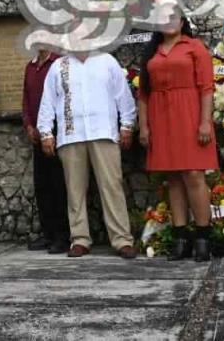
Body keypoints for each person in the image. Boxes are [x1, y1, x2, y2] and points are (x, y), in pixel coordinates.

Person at [37, 50, 138, 259]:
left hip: (103, 132)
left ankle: (122, 240)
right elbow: (48, 100)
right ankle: (80, 239)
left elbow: (123, 96)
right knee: (75, 191)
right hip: (71, 135)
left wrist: (127, 125)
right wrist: (45, 132)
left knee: (112, 186)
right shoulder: (59, 66)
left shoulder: (106, 61)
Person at [137, 11, 217, 262]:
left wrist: (205, 122)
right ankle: (181, 238)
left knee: (194, 174)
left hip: (190, 114)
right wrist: (144, 126)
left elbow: (206, 88)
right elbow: (143, 94)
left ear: (182, 22)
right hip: (161, 117)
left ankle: (203, 237)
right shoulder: (152, 52)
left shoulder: (195, 47)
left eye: (174, 17)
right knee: (172, 178)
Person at [22, 48, 69, 253]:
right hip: (36, 133)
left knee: (59, 184)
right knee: (42, 185)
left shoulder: (59, 63)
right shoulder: (30, 67)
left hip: (56, 131)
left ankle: (62, 235)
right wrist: (29, 126)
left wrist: (48, 129)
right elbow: (26, 100)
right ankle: (47, 233)